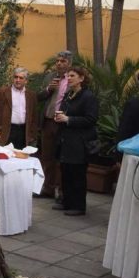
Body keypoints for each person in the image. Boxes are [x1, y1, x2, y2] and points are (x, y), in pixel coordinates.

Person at [52, 66, 98, 216]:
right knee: (66, 172)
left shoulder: (88, 97)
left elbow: (91, 119)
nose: (69, 78)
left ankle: (78, 206)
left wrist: (69, 119)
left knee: (77, 174)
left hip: (79, 142)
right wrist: (60, 118)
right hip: (66, 140)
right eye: (68, 76)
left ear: (81, 78)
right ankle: (66, 201)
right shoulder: (69, 95)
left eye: (72, 76)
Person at [36, 50, 72, 199]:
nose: (59, 63)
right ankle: (48, 188)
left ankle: (62, 191)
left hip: (63, 124)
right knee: (47, 157)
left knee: (62, 158)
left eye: (62, 61)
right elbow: (39, 97)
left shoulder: (72, 78)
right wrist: (48, 89)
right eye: (57, 61)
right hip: (48, 121)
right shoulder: (50, 77)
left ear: (69, 63)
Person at [0, 67, 38, 149]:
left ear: (26, 81)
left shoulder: (31, 95)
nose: (17, 80)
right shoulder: (2, 92)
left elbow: (34, 116)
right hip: (6, 131)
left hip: (23, 132)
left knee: (20, 155)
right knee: (4, 155)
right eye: (16, 77)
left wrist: (32, 134)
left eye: (21, 78)